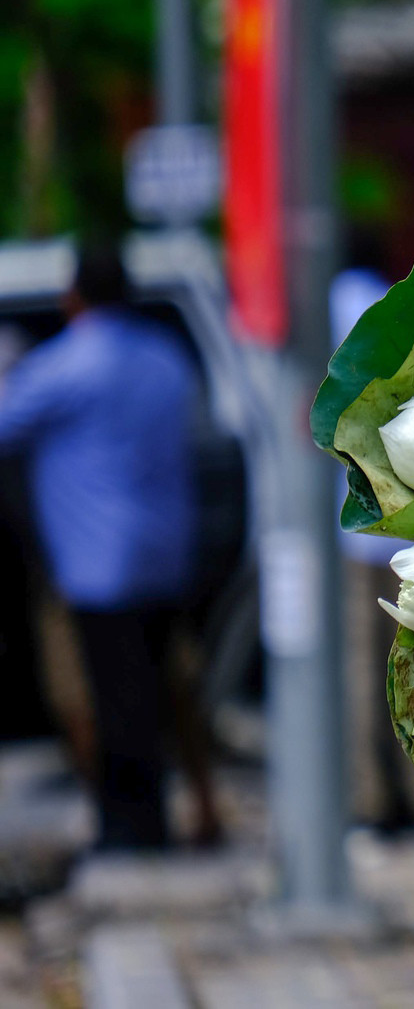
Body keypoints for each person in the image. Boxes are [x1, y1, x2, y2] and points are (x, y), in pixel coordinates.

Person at [0, 241, 202, 850]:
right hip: (169, 556)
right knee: (158, 696)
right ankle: (156, 822)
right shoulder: (168, 358)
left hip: (97, 567)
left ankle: (131, 831)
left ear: (73, 298)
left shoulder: (63, 366)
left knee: (113, 704)